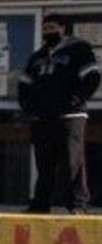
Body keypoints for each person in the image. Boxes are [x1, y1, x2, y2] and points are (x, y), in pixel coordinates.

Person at [18, 13, 101, 214]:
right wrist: (29, 107)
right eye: (45, 28)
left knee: (73, 161)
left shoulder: (78, 49)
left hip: (70, 117)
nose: (48, 32)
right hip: (42, 118)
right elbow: (24, 84)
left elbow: (93, 77)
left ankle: (77, 204)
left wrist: (75, 100)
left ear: (63, 28)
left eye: (52, 27)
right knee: (44, 162)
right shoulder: (37, 56)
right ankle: (40, 204)